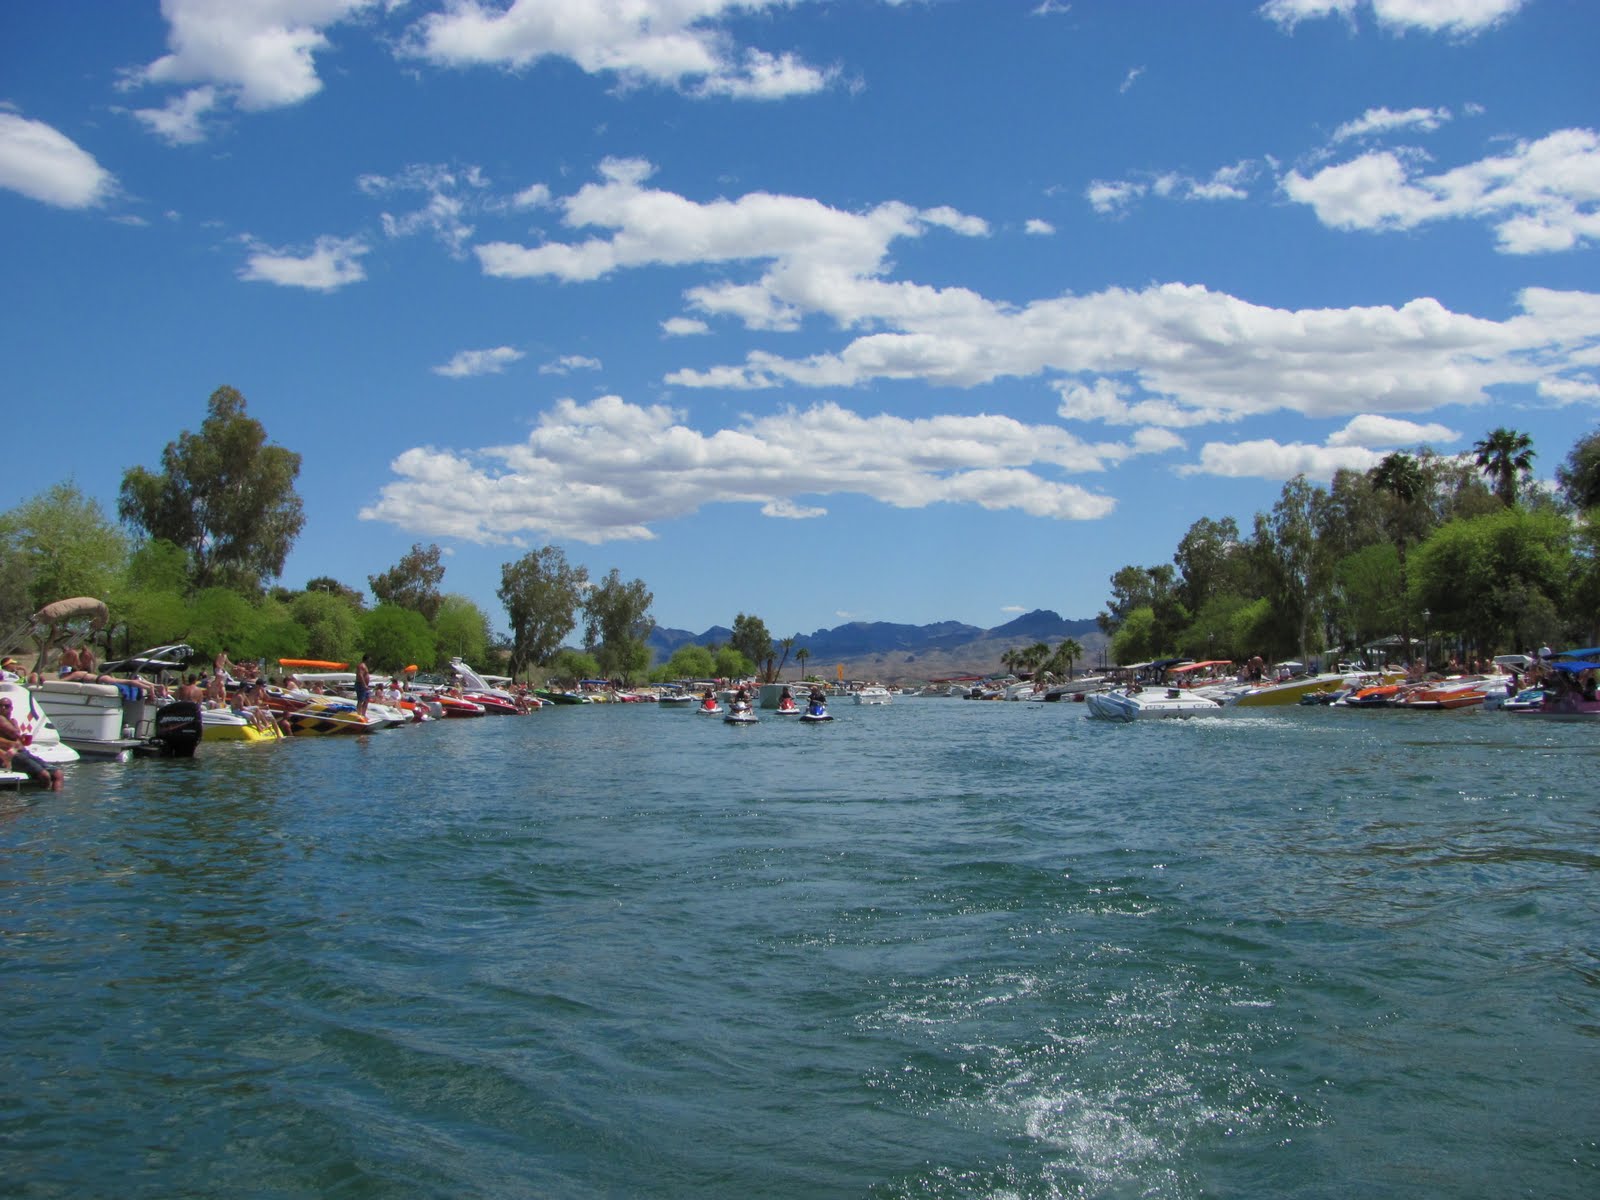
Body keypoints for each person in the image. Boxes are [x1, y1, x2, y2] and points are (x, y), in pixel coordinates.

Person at [0, 696, 63, 790]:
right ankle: (41, 800)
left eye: (6, 706)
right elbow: (14, 734)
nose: (3, 708)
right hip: (13, 756)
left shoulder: (12, 721)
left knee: (58, 774)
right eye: (0, 705)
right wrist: (17, 736)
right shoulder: (1, 719)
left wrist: (19, 739)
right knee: (45, 776)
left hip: (23, 753)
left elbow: (17, 738)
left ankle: (56, 800)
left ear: (11, 708)